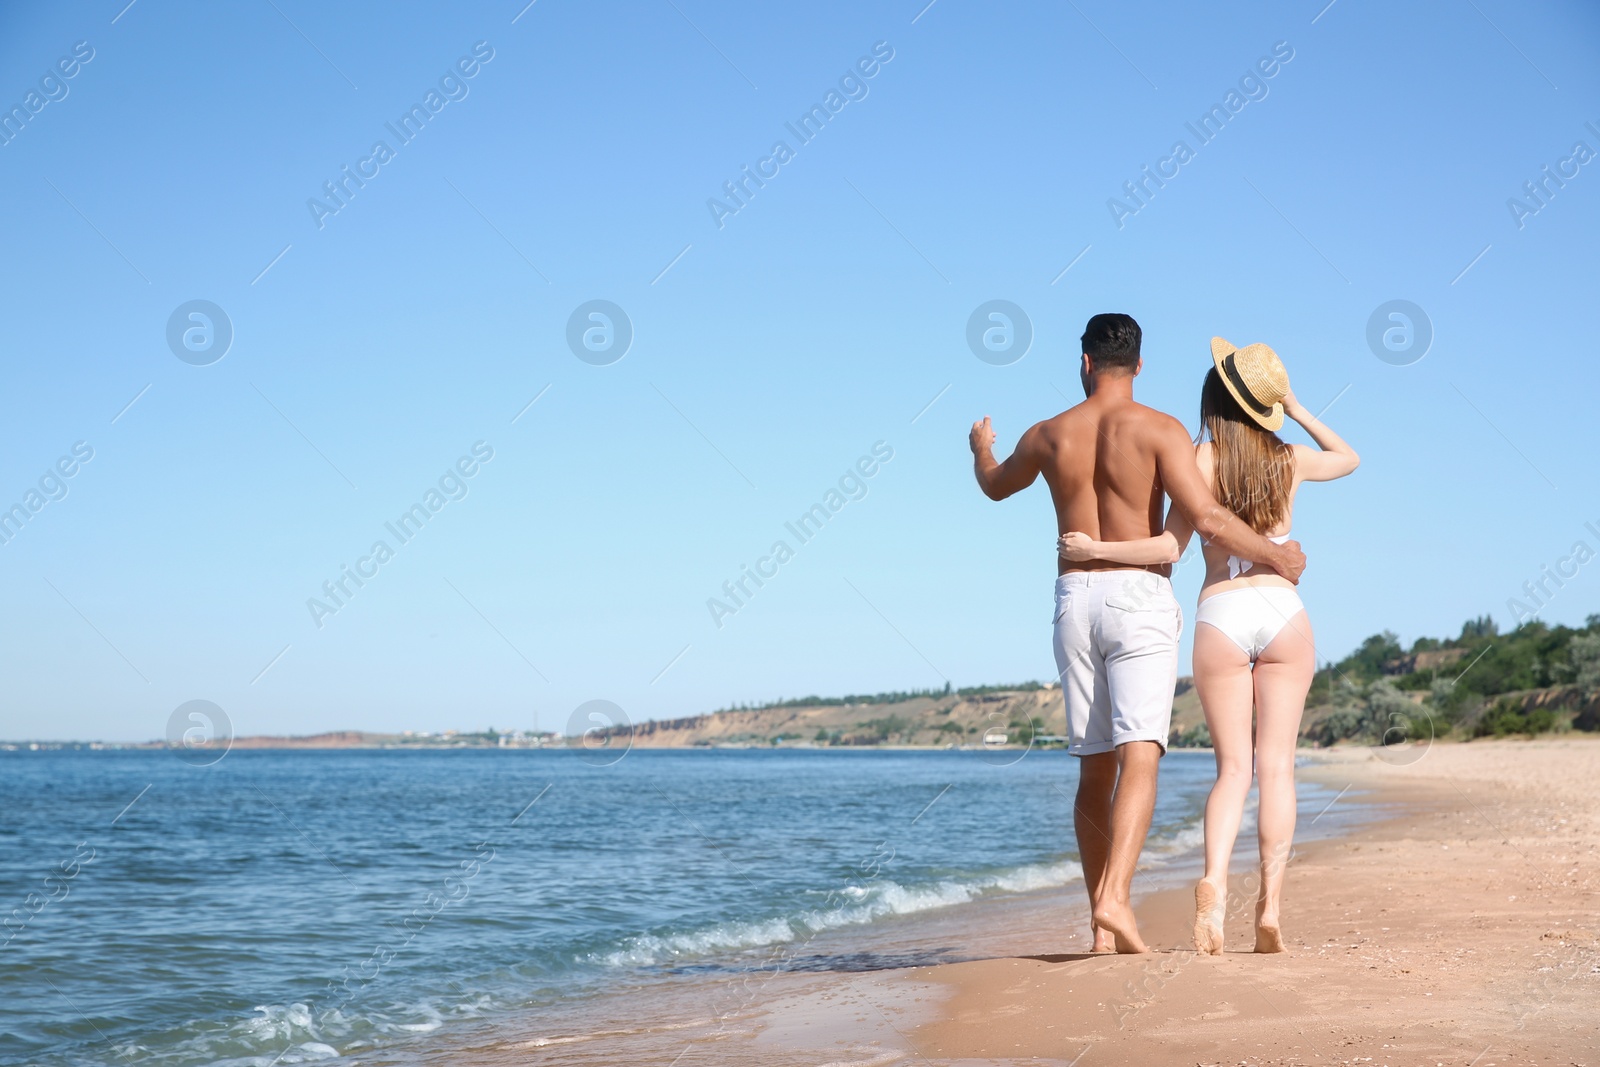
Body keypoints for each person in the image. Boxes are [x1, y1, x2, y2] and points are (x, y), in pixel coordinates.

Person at [969, 315, 1306, 954]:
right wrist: (1277, 556)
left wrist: (980, 447)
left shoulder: (1047, 434)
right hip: (1138, 594)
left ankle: (1102, 928)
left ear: (1086, 362)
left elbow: (993, 486)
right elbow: (1205, 517)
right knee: (1141, 753)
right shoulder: (1161, 429)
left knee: (1094, 766)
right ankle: (1115, 901)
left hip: (1074, 597)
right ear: (1140, 366)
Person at [1059, 337, 1358, 954]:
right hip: (1282, 610)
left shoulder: (1198, 459)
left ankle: (1214, 891)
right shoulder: (1290, 460)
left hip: (1220, 610)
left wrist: (1096, 552)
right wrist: (1295, 407)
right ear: (1264, 407)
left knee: (1231, 771)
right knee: (1276, 768)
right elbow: (1348, 457)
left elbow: (1170, 548)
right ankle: (1270, 905)